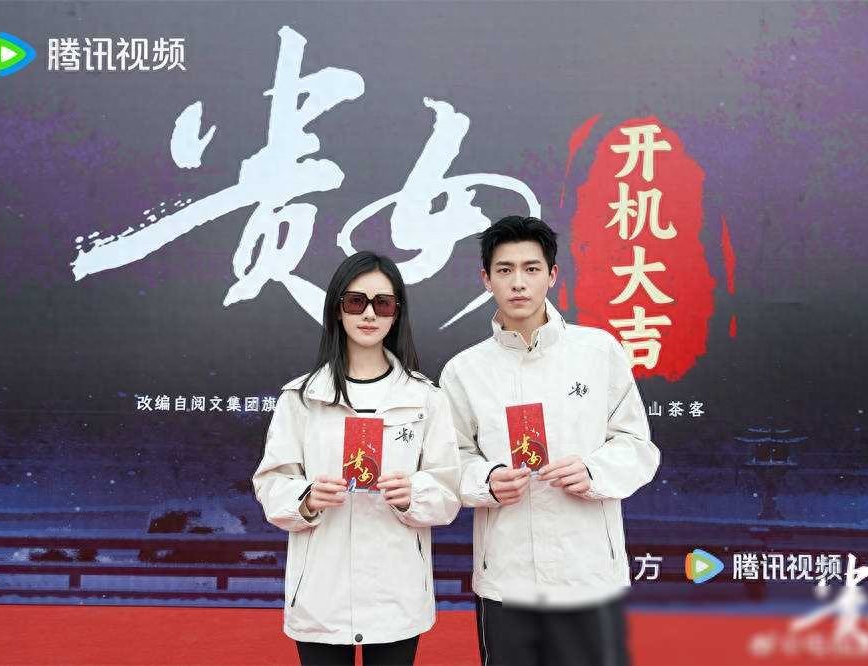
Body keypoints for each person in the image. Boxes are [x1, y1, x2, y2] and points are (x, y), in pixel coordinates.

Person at [439, 216, 660, 666]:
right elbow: (450, 460)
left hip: (588, 572)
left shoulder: (598, 351)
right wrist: (487, 480)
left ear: (553, 275)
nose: (518, 283)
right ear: (486, 279)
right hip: (507, 576)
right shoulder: (464, 370)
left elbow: (637, 444)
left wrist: (593, 471)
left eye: (531, 268)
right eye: (504, 270)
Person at [253, 251, 460, 666]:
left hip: (397, 593)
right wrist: (306, 498)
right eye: (355, 301)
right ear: (337, 309)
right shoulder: (301, 398)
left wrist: (413, 495)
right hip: (321, 593)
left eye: (382, 303)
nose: (369, 314)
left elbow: (448, 490)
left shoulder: (426, 398)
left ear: (396, 313)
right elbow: (271, 483)